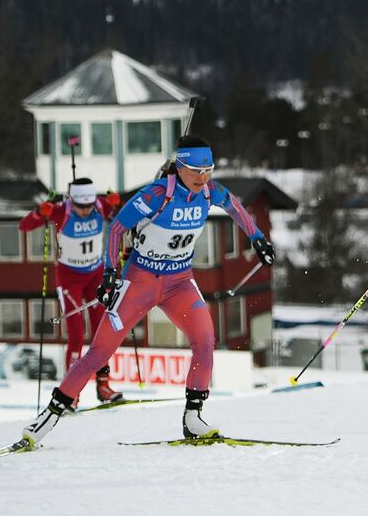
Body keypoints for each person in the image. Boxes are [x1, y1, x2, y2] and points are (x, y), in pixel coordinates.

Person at [14, 135, 276, 449]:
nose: (203, 178)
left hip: (179, 282)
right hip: (141, 281)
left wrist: (257, 238)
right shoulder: (156, 195)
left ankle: (193, 417)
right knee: (99, 353)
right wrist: (110, 273)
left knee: (205, 340)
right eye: (196, 171)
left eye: (208, 171)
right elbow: (117, 228)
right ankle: (47, 418)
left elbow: (234, 207)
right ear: (181, 167)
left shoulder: (210, 192)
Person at [19, 178, 124, 403]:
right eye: (80, 206)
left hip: (95, 275)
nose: (85, 211)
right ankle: (71, 391)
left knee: (102, 333)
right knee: (76, 335)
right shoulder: (60, 212)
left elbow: (125, 218)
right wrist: (39, 213)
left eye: (89, 206)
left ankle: (103, 385)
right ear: (71, 200)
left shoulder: (101, 206)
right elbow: (24, 226)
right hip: (70, 279)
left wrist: (118, 204)